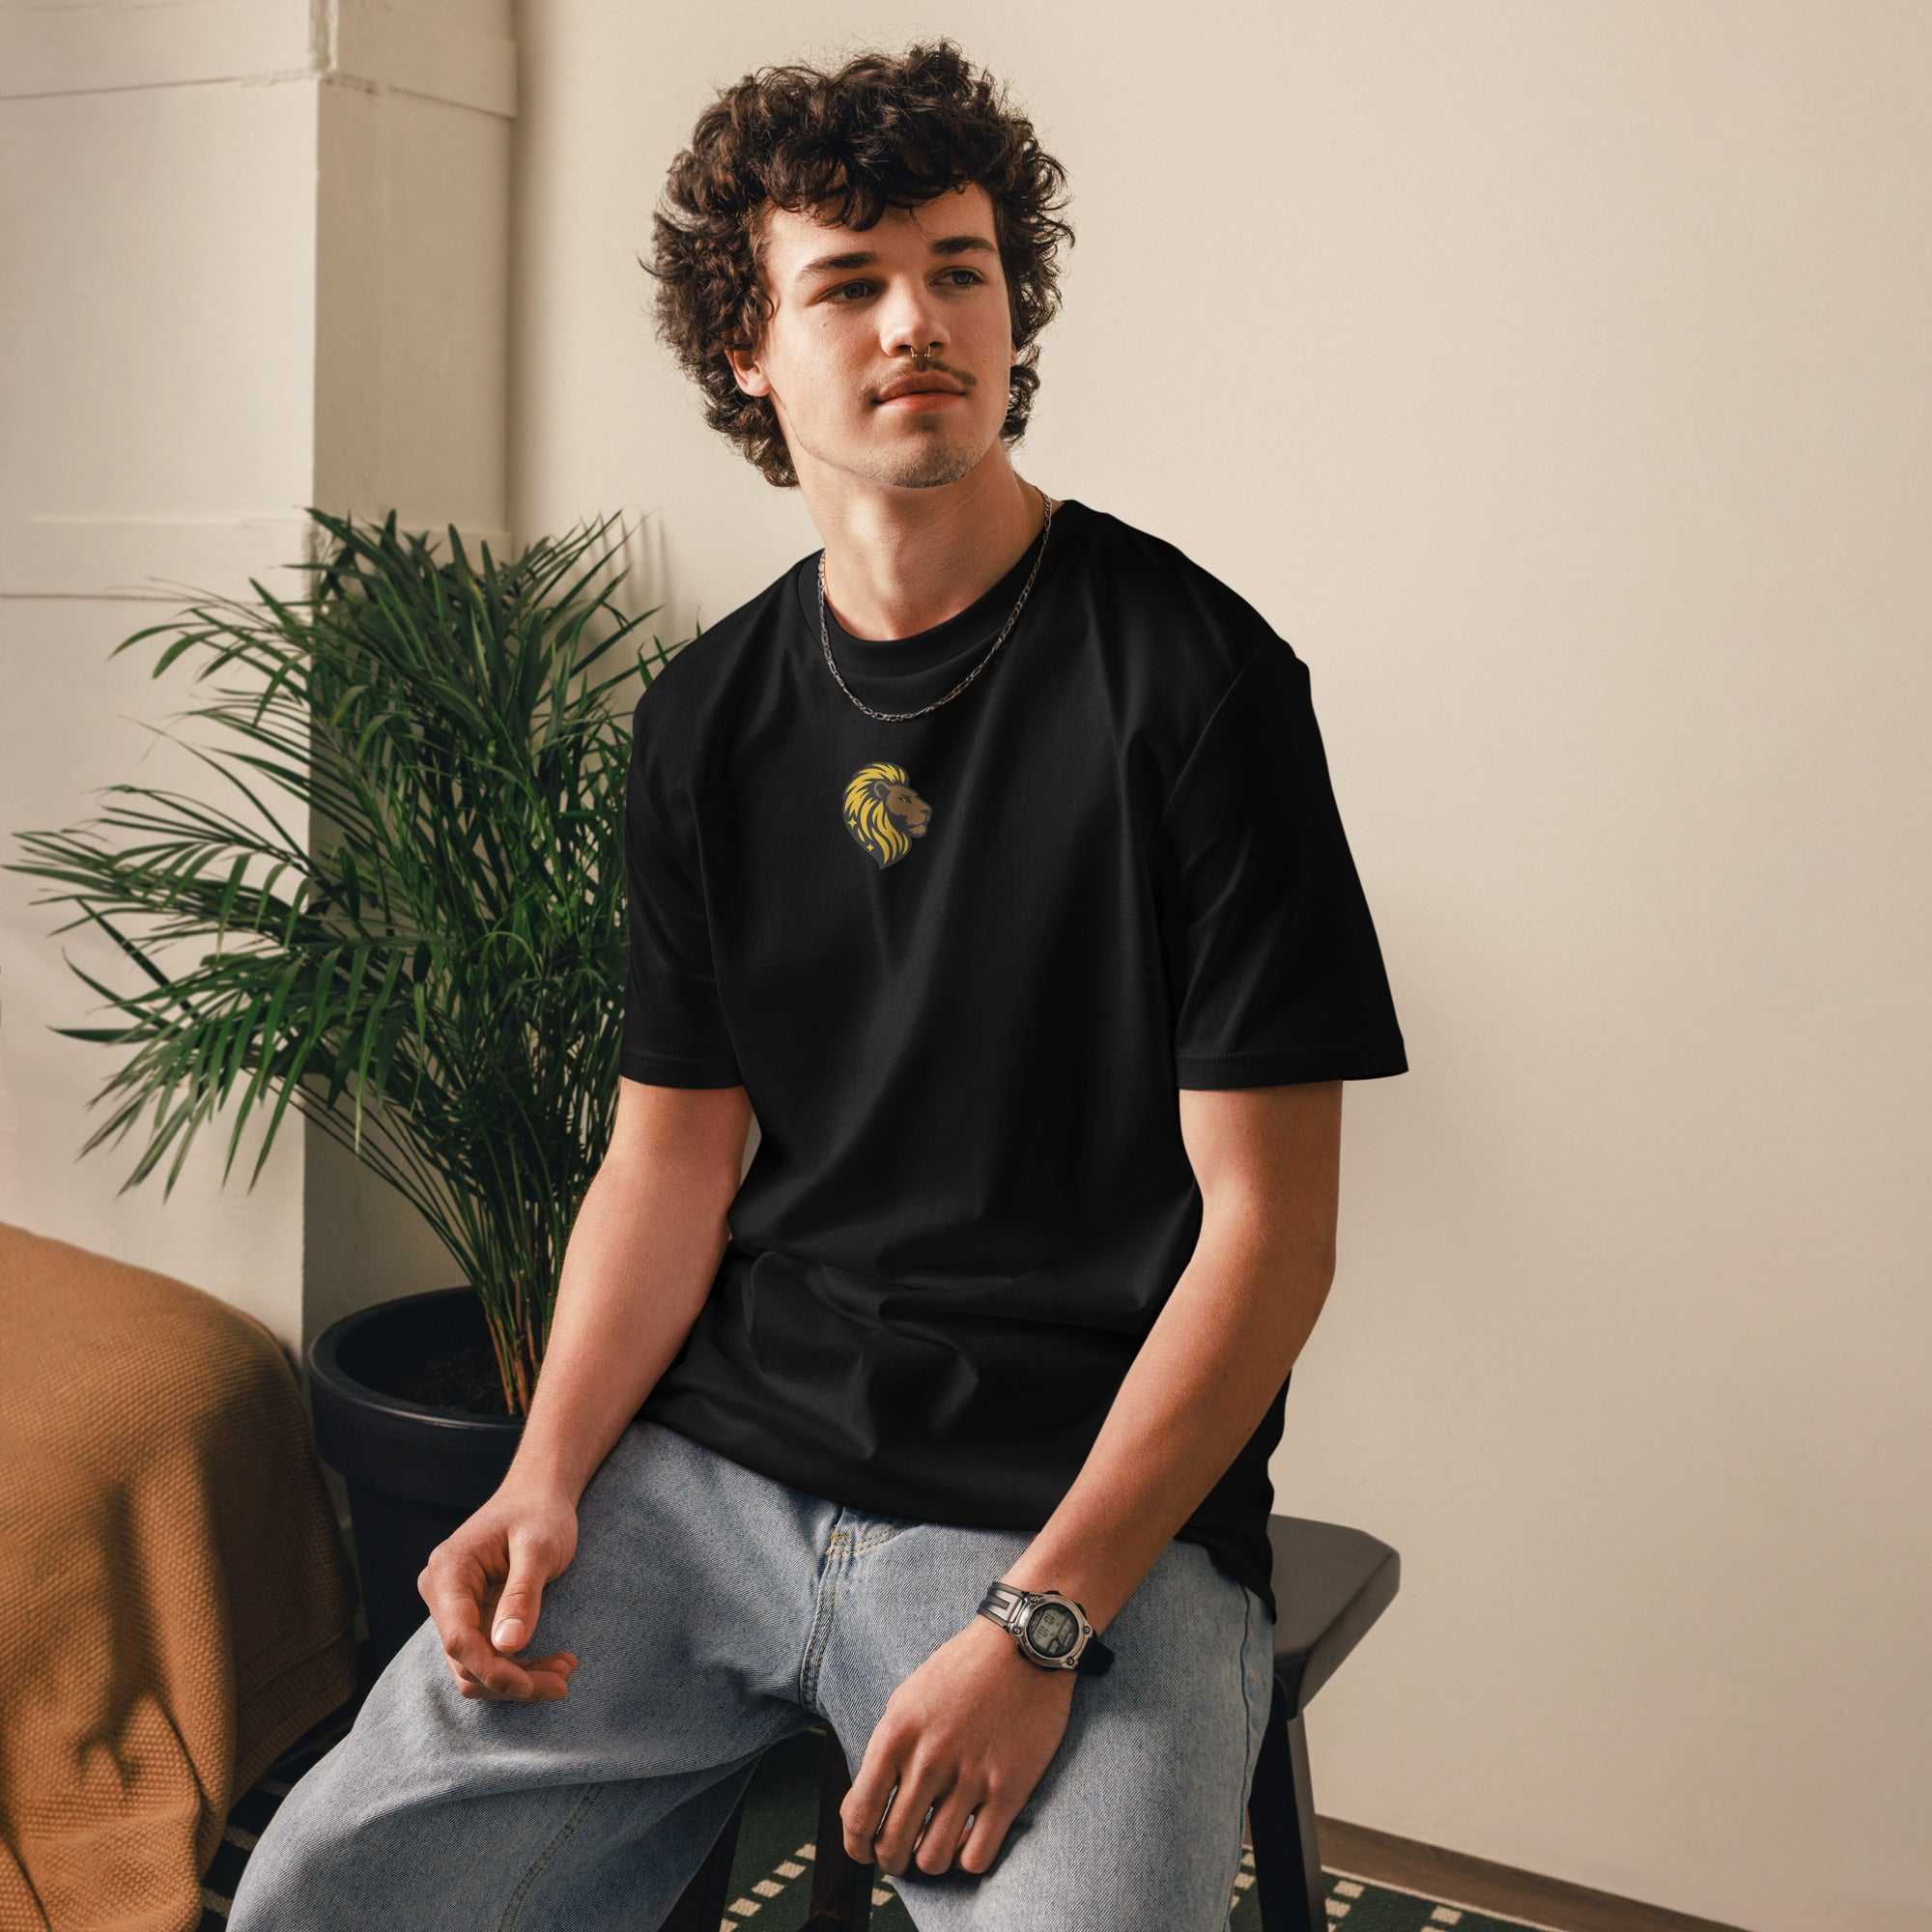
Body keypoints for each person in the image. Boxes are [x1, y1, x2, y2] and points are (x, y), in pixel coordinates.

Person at [227, 36, 1407, 1932]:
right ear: (749, 359)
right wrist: (545, 1479)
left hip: (1068, 1515)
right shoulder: (704, 720)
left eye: (958, 269)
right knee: (320, 1891)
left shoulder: (1197, 689)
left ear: (1015, 318)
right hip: (710, 1483)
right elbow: (668, 1162)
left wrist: (1041, 1620)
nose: (914, 317)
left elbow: (1270, 1235)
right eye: (846, 281)